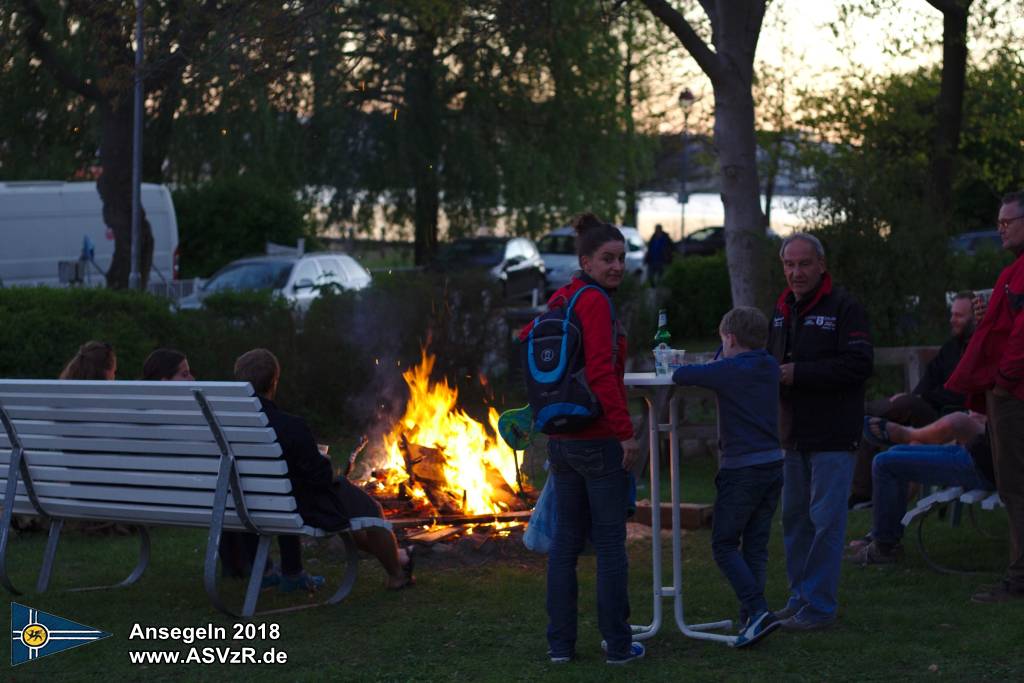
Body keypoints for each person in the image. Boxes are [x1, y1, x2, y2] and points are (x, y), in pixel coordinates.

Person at [520, 212, 643, 664]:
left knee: (565, 544)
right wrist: (625, 434)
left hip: (561, 438)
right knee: (610, 543)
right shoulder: (593, 302)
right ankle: (617, 646)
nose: (616, 267)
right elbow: (600, 373)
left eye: (621, 259)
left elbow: (529, 344)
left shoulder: (562, 297)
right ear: (585, 260)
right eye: (607, 259)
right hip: (595, 438)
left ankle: (561, 647)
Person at [233, 349, 414, 592]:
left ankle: (400, 557)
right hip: (300, 505)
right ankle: (397, 575)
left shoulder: (228, 426)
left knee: (345, 504)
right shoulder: (291, 426)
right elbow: (320, 478)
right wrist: (323, 461)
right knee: (373, 511)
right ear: (274, 381)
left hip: (248, 504)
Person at [766, 233, 873, 630]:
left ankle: (819, 607)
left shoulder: (845, 308)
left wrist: (800, 373)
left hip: (833, 434)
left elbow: (860, 364)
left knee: (826, 522)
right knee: (795, 521)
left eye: (804, 264)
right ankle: (799, 599)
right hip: (792, 435)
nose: (796, 272)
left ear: (821, 265)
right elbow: (770, 361)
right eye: (789, 265)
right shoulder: (780, 310)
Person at [672, 306, 783, 647]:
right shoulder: (769, 366)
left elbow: (681, 376)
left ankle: (758, 610)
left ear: (730, 339)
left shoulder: (729, 370)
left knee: (723, 544)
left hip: (742, 469)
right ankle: (751, 620)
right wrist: (725, 351)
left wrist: (718, 354)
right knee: (755, 545)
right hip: (773, 465)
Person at [945, 189, 1024, 603]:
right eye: (999, 221)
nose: (1000, 228)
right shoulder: (1013, 272)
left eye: (1008, 221)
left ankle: (1019, 579)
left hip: (1014, 395)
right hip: (1005, 392)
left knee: (1015, 486)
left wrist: (1004, 381)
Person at [849, 292, 975, 507]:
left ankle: (856, 409)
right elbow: (929, 378)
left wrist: (916, 397)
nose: (952, 320)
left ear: (975, 319)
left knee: (902, 405)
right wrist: (916, 395)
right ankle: (862, 494)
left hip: (951, 420)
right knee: (869, 424)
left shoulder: (978, 350)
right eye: (952, 314)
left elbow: (964, 393)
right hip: (927, 411)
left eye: (959, 316)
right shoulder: (951, 348)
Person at [848, 412, 993, 565]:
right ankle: (883, 538)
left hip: (983, 465)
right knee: (895, 453)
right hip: (977, 451)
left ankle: (883, 547)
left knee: (884, 463)